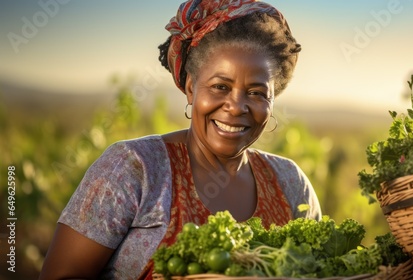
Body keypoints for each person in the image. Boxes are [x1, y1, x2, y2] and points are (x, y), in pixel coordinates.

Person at [39, 0, 322, 279]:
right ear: (190, 88)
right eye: (220, 86)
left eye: (257, 93)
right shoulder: (134, 169)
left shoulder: (290, 183)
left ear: (272, 101)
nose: (236, 107)